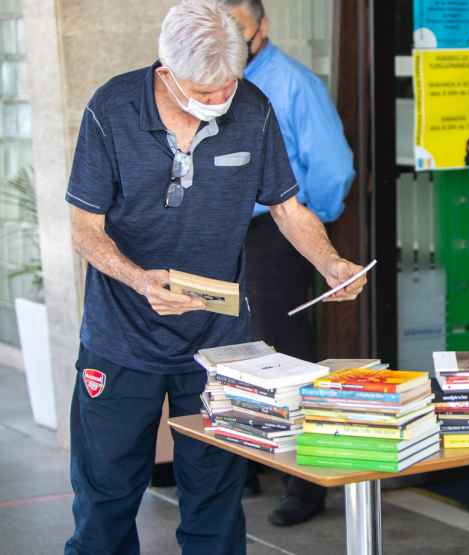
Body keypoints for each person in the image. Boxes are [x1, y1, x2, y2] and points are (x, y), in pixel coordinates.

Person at [63, 1, 366, 553]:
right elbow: (85, 229)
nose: (218, 102)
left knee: (216, 500)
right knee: (105, 499)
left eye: (226, 86)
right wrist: (138, 280)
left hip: (218, 345)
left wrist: (330, 262)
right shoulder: (111, 109)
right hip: (120, 337)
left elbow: (287, 207)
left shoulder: (253, 107)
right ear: (165, 72)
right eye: (204, 93)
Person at [225, 0, 355, 527]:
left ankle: (305, 486)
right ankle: (246, 466)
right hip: (224, 236)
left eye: (238, 29)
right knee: (232, 351)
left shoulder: (293, 83)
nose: (231, 42)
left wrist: (304, 224)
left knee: (289, 356)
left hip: (278, 233)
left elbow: (332, 168)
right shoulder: (214, 81)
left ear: (263, 28)